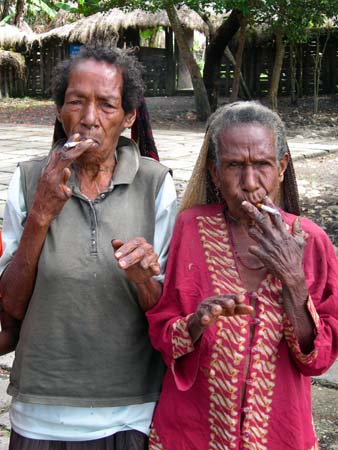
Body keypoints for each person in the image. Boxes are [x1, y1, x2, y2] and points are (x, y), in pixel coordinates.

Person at [0, 45, 177, 449]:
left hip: (130, 409)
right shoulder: (28, 180)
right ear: (60, 111)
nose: (89, 119)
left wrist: (143, 279)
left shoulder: (155, 184)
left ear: (129, 116)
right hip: (42, 410)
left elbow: (167, 314)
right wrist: (40, 215)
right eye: (76, 102)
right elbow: (9, 305)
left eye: (107, 105)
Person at [146, 101, 338, 450]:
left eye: (262, 164)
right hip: (191, 432)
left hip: (282, 434)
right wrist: (196, 323)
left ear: (281, 167)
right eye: (234, 166)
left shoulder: (311, 241)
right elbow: (162, 331)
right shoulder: (189, 228)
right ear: (215, 173)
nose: (250, 183)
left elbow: (320, 358)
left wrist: (293, 279)